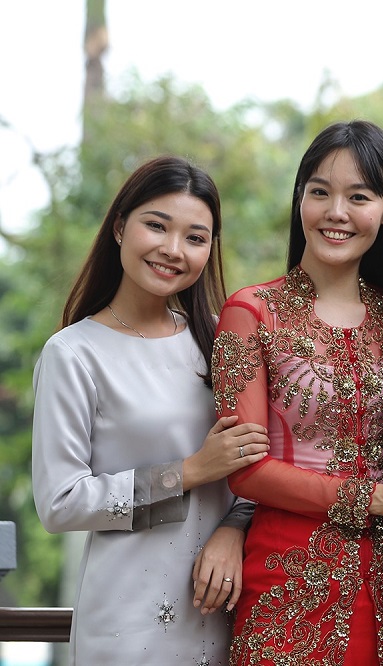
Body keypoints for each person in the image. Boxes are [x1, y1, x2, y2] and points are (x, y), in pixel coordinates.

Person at [211, 120, 383, 665]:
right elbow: (245, 468)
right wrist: (377, 499)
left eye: (359, 196)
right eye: (319, 192)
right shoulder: (250, 312)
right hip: (288, 577)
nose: (336, 212)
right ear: (300, 197)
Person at [32, 155, 271, 665]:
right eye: (156, 226)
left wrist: (232, 529)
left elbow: (260, 463)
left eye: (195, 237)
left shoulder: (222, 338)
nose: (172, 249)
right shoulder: (74, 354)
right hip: (127, 622)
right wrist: (186, 474)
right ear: (120, 227)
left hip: (227, 611)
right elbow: (60, 502)